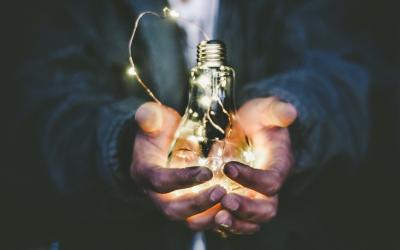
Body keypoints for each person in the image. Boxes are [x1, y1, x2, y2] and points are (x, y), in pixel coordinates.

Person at [13, 0, 371, 249]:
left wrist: (291, 121)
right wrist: (123, 146)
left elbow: (346, 76)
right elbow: (43, 109)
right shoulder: (77, 11)